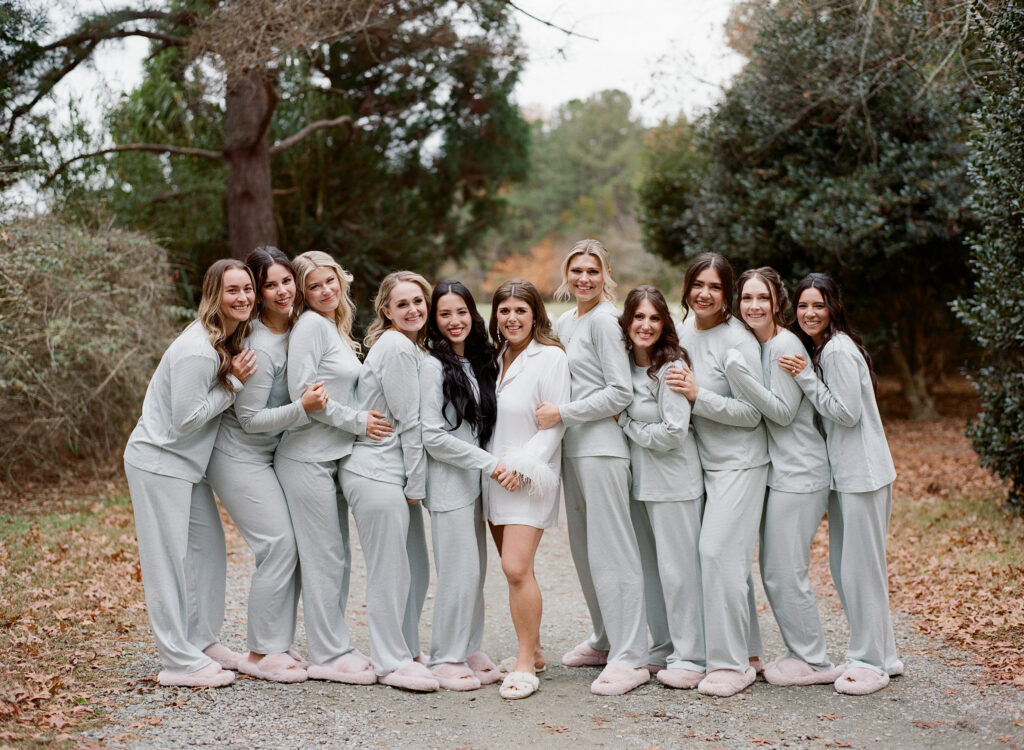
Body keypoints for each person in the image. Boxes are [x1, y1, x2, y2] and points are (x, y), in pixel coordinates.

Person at [124, 258, 256, 688]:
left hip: (187, 467)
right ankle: (177, 661)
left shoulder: (225, 339)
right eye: (232, 290)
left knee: (208, 550)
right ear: (214, 295)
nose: (243, 297)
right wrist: (233, 384)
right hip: (159, 462)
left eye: (248, 289)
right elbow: (185, 420)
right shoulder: (198, 350)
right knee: (166, 561)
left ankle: (201, 641)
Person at [205, 246, 329, 683]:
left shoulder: (298, 326)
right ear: (258, 293)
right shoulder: (258, 344)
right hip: (238, 455)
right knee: (277, 544)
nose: (281, 291)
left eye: (286, 281)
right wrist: (303, 408)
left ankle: (277, 643)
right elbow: (250, 420)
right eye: (269, 285)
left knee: (289, 545)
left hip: (267, 456)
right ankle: (259, 654)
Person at [778, 273, 902, 696]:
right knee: (848, 569)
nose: (809, 313)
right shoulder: (824, 349)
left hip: (863, 475)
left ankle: (870, 662)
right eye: (803, 305)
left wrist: (805, 379)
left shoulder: (837, 351)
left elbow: (847, 414)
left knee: (861, 571)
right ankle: (883, 655)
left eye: (819, 305)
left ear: (834, 307)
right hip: (847, 475)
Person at [536, 239, 650, 697]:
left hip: (602, 449)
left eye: (593, 271)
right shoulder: (566, 320)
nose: (584, 278)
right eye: (577, 270)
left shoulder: (606, 320)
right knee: (585, 551)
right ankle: (604, 639)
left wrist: (563, 413)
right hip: (572, 450)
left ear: (606, 275)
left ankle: (631, 656)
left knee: (613, 551)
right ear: (566, 273)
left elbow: (620, 391)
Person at [275, 250, 391, 685]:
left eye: (330, 281)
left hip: (332, 458)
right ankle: (325, 654)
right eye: (314, 286)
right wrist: (359, 422)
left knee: (337, 557)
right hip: (305, 458)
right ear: (303, 294)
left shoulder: (332, 327)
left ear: (341, 280)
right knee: (324, 559)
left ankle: (335, 644)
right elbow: (304, 395)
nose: (325, 291)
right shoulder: (309, 326)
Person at [721, 267, 841, 687]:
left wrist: (739, 376)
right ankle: (801, 652)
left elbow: (784, 412)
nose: (754, 305)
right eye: (747, 298)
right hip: (781, 472)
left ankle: (815, 661)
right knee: (776, 568)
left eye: (763, 298)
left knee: (784, 569)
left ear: (777, 303)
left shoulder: (785, 345)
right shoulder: (760, 344)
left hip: (802, 471)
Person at [668, 252, 769, 697]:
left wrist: (698, 396)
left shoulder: (739, 340)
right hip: (701, 463)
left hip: (741, 462)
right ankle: (749, 654)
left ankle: (730, 666)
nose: (704, 294)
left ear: (727, 294)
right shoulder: (682, 331)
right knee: (726, 564)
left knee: (715, 554)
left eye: (715, 287)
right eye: (698, 285)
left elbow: (753, 413)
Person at [340, 270, 436, 692]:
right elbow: (410, 422)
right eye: (402, 304)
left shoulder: (409, 346)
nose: (413, 309)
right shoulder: (396, 347)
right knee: (390, 571)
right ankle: (388, 660)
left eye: (418, 301)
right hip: (375, 473)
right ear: (386, 311)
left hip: (394, 474)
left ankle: (408, 649)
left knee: (415, 566)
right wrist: (418, 485)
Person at [616, 286, 707, 690]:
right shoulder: (623, 365)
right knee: (651, 570)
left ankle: (693, 654)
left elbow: (674, 432)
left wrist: (627, 424)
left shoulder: (671, 367)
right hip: (641, 483)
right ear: (627, 321)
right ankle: (666, 643)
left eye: (655, 318)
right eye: (639, 317)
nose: (646, 325)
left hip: (674, 483)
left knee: (679, 571)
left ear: (664, 324)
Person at [420, 280, 508, 690]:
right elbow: (433, 436)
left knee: (475, 572)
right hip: (448, 485)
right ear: (434, 320)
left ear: (473, 315)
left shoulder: (477, 361)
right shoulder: (432, 366)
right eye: (445, 314)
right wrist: (489, 463)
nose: (455, 321)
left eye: (461, 312)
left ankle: (470, 648)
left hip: (474, 485)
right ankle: (445, 657)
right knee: (457, 573)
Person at [486, 279, 570, 700]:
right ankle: (533, 650)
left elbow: (554, 425)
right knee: (515, 571)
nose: (512, 318)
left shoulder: (550, 358)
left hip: (529, 478)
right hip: (493, 477)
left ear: (536, 314)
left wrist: (522, 467)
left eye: (521, 310)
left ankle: (524, 665)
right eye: (505, 310)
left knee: (516, 568)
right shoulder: (494, 357)